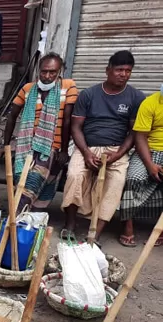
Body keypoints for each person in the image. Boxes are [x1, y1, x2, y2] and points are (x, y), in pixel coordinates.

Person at [62, 50, 144, 243]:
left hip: (116, 150)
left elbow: (133, 132)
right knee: (75, 175)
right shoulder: (89, 94)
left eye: (128, 70)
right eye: (119, 70)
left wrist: (118, 154)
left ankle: (94, 234)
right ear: (108, 70)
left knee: (116, 183)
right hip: (87, 147)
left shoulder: (135, 97)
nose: (123, 74)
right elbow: (76, 127)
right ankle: (70, 224)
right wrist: (86, 153)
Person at [4, 52, 77, 210]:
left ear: (59, 72)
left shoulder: (68, 86)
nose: (48, 76)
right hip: (26, 146)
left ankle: (19, 218)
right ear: (38, 71)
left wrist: (64, 150)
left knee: (33, 182)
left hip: (51, 148)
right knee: (21, 181)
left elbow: (67, 121)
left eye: (52, 72)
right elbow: (12, 117)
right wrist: (6, 146)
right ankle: (21, 219)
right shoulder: (28, 89)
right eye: (44, 71)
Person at [118, 84, 163, 246]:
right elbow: (140, 137)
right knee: (133, 178)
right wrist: (150, 164)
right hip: (148, 151)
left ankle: (160, 227)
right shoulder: (150, 103)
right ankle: (127, 223)